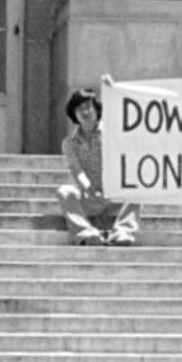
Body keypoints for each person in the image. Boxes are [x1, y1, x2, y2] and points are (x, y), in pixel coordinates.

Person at [58, 83, 141, 246]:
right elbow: (77, 170)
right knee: (65, 192)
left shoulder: (113, 134)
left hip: (115, 197)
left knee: (138, 186)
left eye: (89, 107)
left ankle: (123, 232)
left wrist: (113, 88)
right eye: (80, 108)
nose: (85, 112)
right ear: (74, 113)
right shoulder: (69, 143)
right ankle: (87, 234)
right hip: (90, 198)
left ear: (97, 110)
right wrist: (90, 188)